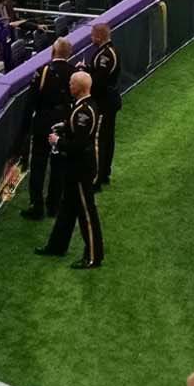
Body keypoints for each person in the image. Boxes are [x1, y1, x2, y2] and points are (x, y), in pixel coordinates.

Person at [35, 69, 103, 268]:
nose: (69, 86)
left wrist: (58, 141)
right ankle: (56, 246)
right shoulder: (84, 106)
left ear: (79, 88)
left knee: (86, 212)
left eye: (72, 84)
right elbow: (77, 131)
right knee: (67, 208)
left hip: (81, 168)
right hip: (76, 167)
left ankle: (93, 256)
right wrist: (64, 127)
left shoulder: (84, 111)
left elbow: (79, 144)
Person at [21, 39, 75, 220]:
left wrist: (25, 127)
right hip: (63, 122)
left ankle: (37, 206)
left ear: (53, 51)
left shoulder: (43, 71)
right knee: (59, 164)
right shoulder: (74, 72)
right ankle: (54, 205)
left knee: (38, 164)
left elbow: (31, 102)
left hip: (43, 122)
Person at [86, 21, 121, 187]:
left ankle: (97, 178)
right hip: (108, 100)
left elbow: (98, 81)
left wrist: (84, 74)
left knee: (100, 140)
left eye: (92, 35)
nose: (91, 38)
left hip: (104, 102)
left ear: (99, 36)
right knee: (107, 138)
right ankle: (105, 173)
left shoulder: (105, 55)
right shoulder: (106, 51)